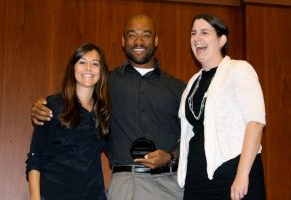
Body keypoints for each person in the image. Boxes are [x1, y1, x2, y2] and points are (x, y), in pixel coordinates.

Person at [30, 14, 185, 200]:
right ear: (123, 41)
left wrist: (170, 156)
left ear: (156, 40)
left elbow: (192, 136)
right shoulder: (106, 82)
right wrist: (41, 105)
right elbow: (73, 96)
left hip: (168, 183)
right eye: (131, 35)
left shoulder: (178, 88)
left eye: (146, 34)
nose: (138, 41)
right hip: (125, 184)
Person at [177, 13, 266, 200]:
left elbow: (255, 123)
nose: (196, 38)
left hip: (231, 177)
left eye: (204, 32)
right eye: (193, 33)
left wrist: (242, 175)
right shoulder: (192, 82)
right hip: (197, 182)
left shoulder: (240, 69)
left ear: (222, 40)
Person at [26, 43, 111, 200]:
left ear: (102, 71)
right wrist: (35, 198)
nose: (88, 69)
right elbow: (35, 158)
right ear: (73, 68)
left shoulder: (104, 112)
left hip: (93, 195)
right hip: (54, 193)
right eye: (82, 62)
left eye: (95, 64)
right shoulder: (53, 105)